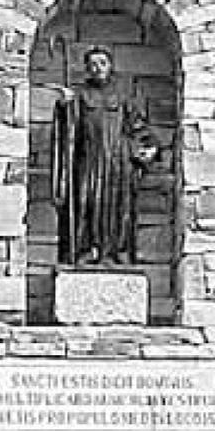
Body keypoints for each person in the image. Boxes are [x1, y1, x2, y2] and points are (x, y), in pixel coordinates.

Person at [52, 46, 161, 266]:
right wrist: (64, 108)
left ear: (110, 66)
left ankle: (115, 252)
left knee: (117, 208)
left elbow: (138, 127)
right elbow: (69, 132)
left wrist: (148, 148)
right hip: (88, 161)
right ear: (86, 69)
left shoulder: (123, 96)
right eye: (92, 64)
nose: (97, 68)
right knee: (86, 204)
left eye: (102, 63)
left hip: (118, 162)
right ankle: (85, 250)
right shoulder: (80, 96)